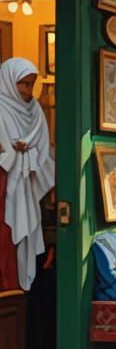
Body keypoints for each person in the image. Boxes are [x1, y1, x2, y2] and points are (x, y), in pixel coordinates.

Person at [0, 57, 55, 291]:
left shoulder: (35, 111)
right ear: (10, 83)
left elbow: (44, 150)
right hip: (4, 192)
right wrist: (11, 153)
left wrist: (29, 157)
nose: (28, 90)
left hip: (31, 191)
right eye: (24, 84)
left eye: (32, 84)